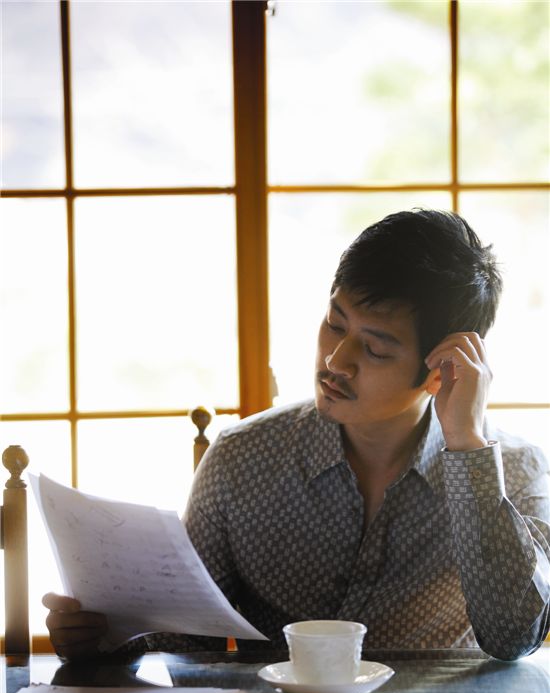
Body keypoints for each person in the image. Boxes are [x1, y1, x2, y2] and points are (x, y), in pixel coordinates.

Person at [44, 209, 550, 661]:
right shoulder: (242, 458)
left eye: (375, 349)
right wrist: (101, 637)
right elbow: (184, 640)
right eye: (335, 324)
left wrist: (466, 445)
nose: (336, 361)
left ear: (438, 372)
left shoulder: (513, 468)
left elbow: (513, 637)